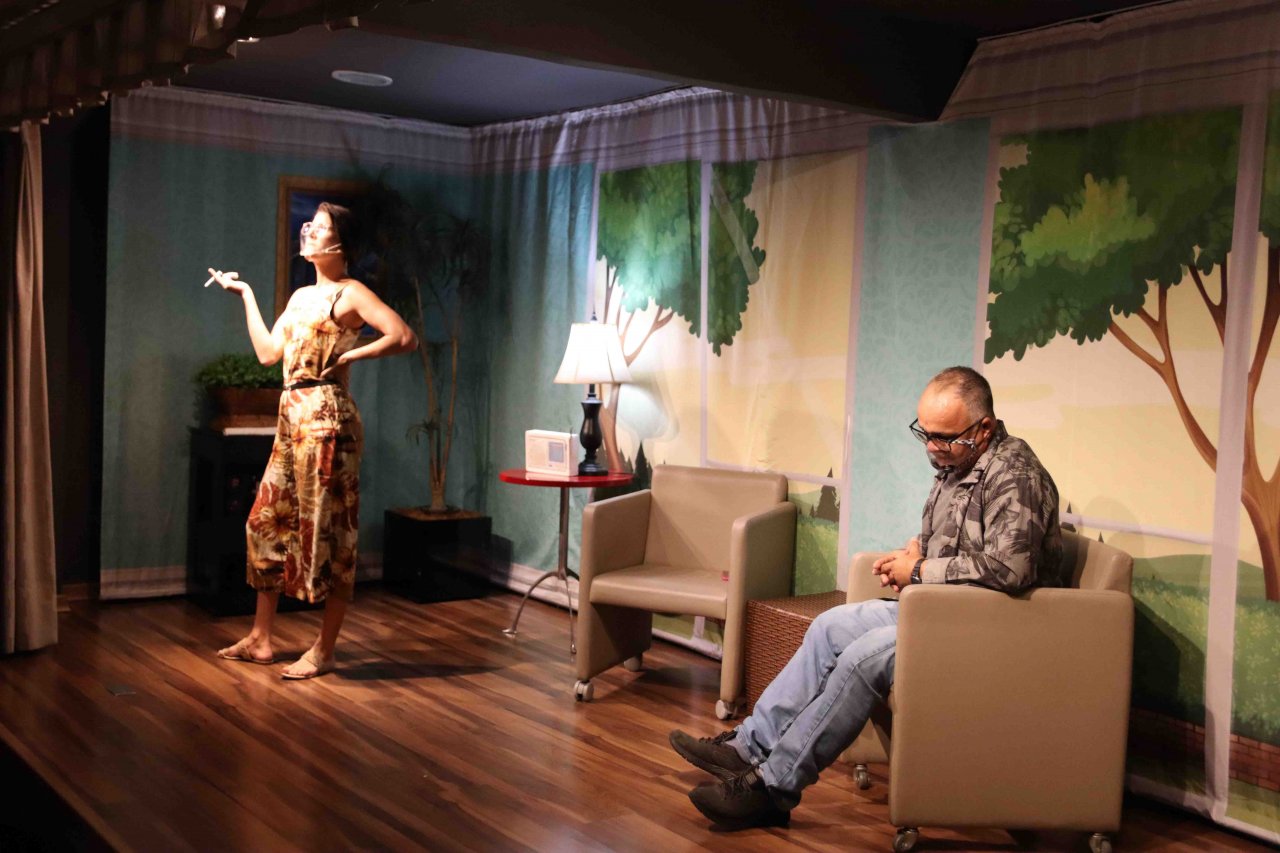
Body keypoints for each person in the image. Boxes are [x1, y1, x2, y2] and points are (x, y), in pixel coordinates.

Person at [669, 365, 1062, 827]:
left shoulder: (1016, 475)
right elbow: (959, 546)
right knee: (830, 626)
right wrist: (917, 553)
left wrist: (919, 570)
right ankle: (747, 748)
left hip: (994, 629)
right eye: (925, 434)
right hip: (946, 612)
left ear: (985, 428)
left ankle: (772, 789)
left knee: (863, 657)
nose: (932, 447)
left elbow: (1010, 569)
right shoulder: (957, 464)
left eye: (944, 437)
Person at [212, 202, 417, 679]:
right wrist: (245, 294)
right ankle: (260, 638)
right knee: (265, 522)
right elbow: (268, 353)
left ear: (340, 244)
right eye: (310, 224)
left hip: (328, 419)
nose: (308, 231)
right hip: (291, 416)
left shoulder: (351, 293)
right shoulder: (302, 296)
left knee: (331, 531)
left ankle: (324, 649)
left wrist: (354, 356)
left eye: (319, 227)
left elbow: (403, 336)